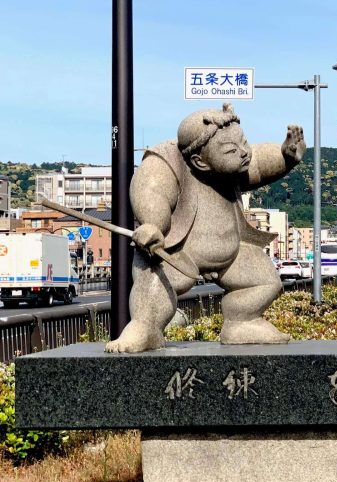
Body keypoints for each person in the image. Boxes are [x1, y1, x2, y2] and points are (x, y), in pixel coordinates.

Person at [106, 103, 305, 353]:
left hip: (232, 254)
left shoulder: (235, 168)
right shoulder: (167, 161)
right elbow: (152, 191)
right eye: (232, 150)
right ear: (201, 161)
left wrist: (285, 156)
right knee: (155, 280)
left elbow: (258, 162)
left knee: (266, 281)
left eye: (243, 142)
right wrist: (152, 225)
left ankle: (242, 322)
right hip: (178, 252)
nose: (243, 152)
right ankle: (145, 328)